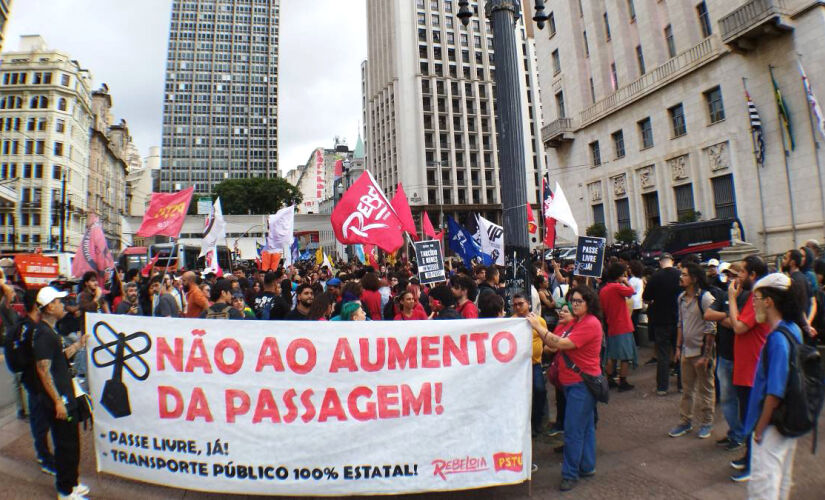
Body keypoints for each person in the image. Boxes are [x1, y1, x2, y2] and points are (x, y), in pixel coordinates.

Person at [527, 287, 603, 492]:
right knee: (585, 427)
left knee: (573, 430)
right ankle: (587, 466)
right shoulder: (577, 322)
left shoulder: (589, 324)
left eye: (579, 301)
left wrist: (538, 327)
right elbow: (553, 345)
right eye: (573, 301)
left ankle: (570, 474)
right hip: (573, 384)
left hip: (581, 385)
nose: (575, 304)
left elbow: (559, 343)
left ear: (589, 303)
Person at [743, 273, 804, 500]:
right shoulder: (793, 328)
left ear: (768, 301)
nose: (754, 302)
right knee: (782, 480)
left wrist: (760, 427)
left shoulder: (776, 338)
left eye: (756, 297)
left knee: (763, 487)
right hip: (789, 419)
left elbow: (775, 390)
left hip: (772, 425)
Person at [33, 286, 90, 500]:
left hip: (66, 397)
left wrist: (78, 345)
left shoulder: (50, 332)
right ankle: (65, 491)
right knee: (65, 445)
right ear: (49, 307)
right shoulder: (43, 335)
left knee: (72, 443)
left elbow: (60, 357)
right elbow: (43, 369)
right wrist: (58, 401)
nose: (62, 305)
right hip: (61, 401)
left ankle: (72, 483)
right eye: (58, 301)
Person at [2, 287, 55, 474]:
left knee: (39, 420)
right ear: (37, 306)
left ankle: (44, 454)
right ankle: (44, 458)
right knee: (40, 421)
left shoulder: (24, 324)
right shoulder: (33, 329)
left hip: (31, 381)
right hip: (36, 381)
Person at [727, 255, 770, 482]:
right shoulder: (756, 295)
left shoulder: (759, 297)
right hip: (747, 365)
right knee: (747, 416)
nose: (738, 277)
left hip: (752, 367)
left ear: (753, 275)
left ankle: (754, 464)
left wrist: (732, 299)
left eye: (742, 272)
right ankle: (748, 456)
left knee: (752, 418)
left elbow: (739, 327)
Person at [668, 263, 717, 439]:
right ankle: (685, 421)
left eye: (685, 274)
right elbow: (680, 324)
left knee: (706, 389)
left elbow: (711, 328)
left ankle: (707, 422)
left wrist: (706, 355)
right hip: (687, 351)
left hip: (702, 352)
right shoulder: (681, 298)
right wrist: (678, 348)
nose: (681, 277)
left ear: (694, 278)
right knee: (687, 389)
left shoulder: (705, 298)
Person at [704, 262, 747, 451]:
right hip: (724, 354)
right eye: (728, 275)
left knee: (743, 400)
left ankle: (743, 435)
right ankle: (735, 433)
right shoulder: (722, 294)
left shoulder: (747, 297)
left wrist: (723, 318)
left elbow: (739, 325)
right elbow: (708, 314)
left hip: (742, 357)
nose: (730, 279)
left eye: (734, 275)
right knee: (727, 398)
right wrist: (726, 316)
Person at [643, 253, 683, 394]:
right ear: (672, 261)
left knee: (663, 354)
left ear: (660, 262)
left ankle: (662, 387)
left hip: (660, 320)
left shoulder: (655, 277)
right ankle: (682, 385)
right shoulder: (680, 275)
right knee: (679, 351)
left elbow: (646, 299)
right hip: (678, 318)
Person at [512, 293, 547, 437]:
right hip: (517, 367)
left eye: (521, 303)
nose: (518, 307)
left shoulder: (539, 321)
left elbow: (545, 337)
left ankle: (536, 422)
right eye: (515, 305)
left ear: (528, 304)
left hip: (534, 364)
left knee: (539, 391)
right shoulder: (511, 322)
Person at [599, 262, 636, 391]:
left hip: (611, 325)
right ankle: (623, 380)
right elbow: (632, 292)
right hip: (623, 325)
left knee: (611, 355)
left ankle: (609, 379)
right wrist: (626, 282)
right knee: (625, 356)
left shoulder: (603, 289)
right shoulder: (617, 287)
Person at [547, 302, 575, 438]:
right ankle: (561, 426)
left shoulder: (573, 329)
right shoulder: (560, 325)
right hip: (559, 370)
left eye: (566, 311)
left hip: (569, 373)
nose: (561, 313)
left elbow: (552, 346)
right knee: (560, 399)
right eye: (561, 311)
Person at [628, 260, 645, 345]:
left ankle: (635, 342)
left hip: (632, 305)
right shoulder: (640, 280)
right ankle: (637, 342)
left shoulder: (632, 280)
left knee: (632, 325)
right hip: (639, 304)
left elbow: (629, 291)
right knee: (635, 324)